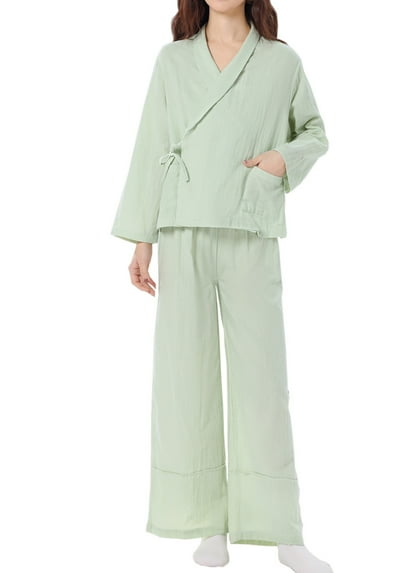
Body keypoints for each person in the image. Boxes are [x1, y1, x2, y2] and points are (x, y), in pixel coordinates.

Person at [110, 1, 331, 571]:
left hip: (249, 224)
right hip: (182, 224)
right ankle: (207, 523)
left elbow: (314, 132)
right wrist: (141, 239)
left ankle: (281, 528)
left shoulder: (281, 62)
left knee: (263, 380)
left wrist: (281, 159)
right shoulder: (172, 61)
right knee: (186, 379)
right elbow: (151, 144)